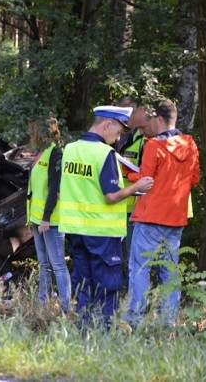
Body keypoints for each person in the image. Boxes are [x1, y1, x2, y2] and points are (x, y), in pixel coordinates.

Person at [58, 105, 154, 329]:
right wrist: (136, 187)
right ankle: (104, 332)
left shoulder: (70, 149)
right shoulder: (105, 154)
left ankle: (84, 328)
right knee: (107, 285)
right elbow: (110, 196)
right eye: (119, 131)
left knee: (83, 283)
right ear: (107, 124)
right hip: (102, 232)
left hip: (75, 230)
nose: (118, 137)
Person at [125, 99, 200, 326]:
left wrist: (126, 170)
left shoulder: (154, 146)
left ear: (159, 119)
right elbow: (194, 180)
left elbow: (144, 180)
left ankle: (134, 320)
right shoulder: (190, 144)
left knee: (139, 269)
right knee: (170, 272)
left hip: (150, 218)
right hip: (175, 219)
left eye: (150, 120)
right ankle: (167, 323)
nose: (148, 125)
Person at [26, 118, 71, 314]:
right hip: (37, 220)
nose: (31, 135)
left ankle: (65, 308)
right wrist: (32, 219)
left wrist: (45, 217)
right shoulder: (41, 153)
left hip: (50, 220)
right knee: (44, 264)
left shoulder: (56, 152)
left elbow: (54, 188)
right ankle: (42, 304)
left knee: (58, 265)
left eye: (33, 131)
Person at [114, 100, 150, 286]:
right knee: (116, 253)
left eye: (128, 113)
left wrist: (127, 172)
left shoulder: (143, 138)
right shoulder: (119, 137)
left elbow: (147, 175)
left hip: (134, 207)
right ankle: (118, 286)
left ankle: (131, 292)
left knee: (132, 254)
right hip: (116, 204)